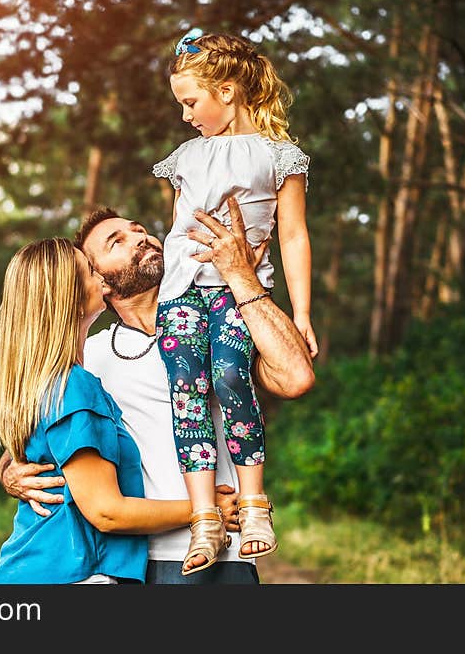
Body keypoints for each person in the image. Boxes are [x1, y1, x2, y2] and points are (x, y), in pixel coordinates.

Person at [0, 199, 315, 584]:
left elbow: (295, 377)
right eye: (116, 241)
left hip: (224, 553)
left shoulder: (218, 329)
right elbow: (37, 442)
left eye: (139, 229)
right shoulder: (87, 359)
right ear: (97, 278)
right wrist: (9, 471)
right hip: (130, 562)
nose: (140, 237)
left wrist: (240, 276)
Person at [149, 28, 316, 574]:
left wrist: (301, 312)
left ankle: (253, 502)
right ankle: (204, 519)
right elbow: (177, 232)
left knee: (228, 376)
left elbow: (292, 236)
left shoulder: (279, 156)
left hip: (238, 292)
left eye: (191, 102)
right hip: (181, 292)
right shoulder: (184, 157)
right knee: (187, 390)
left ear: (227, 90)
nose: (186, 115)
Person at [0, 238, 215, 584]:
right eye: (91, 272)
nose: (103, 279)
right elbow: (107, 511)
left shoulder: (45, 384)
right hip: (67, 575)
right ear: (70, 300)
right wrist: (205, 511)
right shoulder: (74, 386)